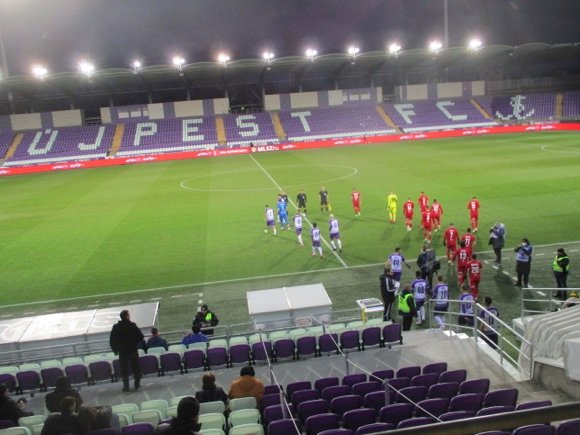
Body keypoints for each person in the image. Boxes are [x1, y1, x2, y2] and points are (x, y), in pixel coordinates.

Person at [109, 309, 143, 393]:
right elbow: (141, 336)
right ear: (127, 316)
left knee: (124, 371)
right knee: (136, 369)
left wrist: (115, 350)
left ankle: (126, 387)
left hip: (123, 351)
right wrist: (134, 343)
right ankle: (137, 385)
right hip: (132, 350)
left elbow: (112, 340)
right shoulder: (132, 325)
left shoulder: (116, 327)